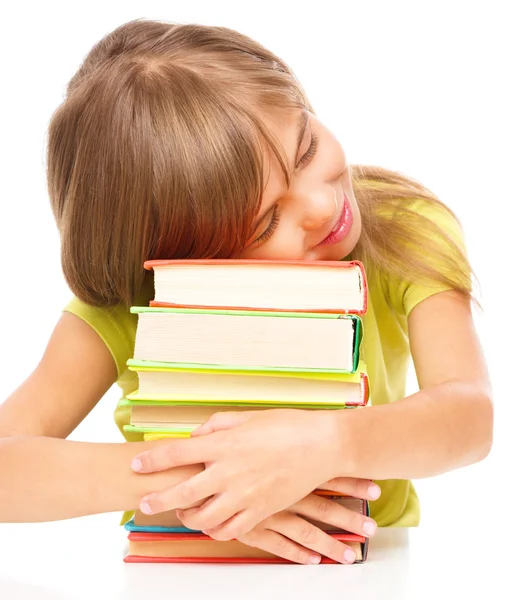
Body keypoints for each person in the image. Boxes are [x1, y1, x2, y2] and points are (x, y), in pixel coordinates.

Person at [0, 19, 493, 566]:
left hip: (367, 572)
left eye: (305, 149)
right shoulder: (133, 303)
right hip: (179, 578)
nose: (322, 206)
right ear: (187, 257)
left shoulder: (403, 228)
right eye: (264, 224)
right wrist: (210, 478)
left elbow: (469, 415)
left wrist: (328, 443)